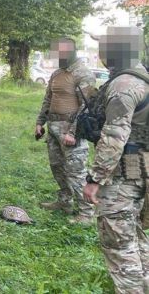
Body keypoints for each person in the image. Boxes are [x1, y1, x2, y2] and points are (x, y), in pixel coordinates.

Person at [84, 27, 149, 293]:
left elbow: (114, 137)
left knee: (119, 243)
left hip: (125, 171)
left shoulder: (124, 86)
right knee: (133, 233)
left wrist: (95, 179)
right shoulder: (142, 78)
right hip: (140, 168)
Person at [35, 37, 96, 224]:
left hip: (71, 130)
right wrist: (40, 122)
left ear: (72, 52)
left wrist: (73, 132)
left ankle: (86, 213)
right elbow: (48, 98)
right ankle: (64, 202)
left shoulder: (83, 74)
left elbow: (86, 108)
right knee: (57, 167)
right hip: (53, 128)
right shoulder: (57, 73)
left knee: (76, 171)